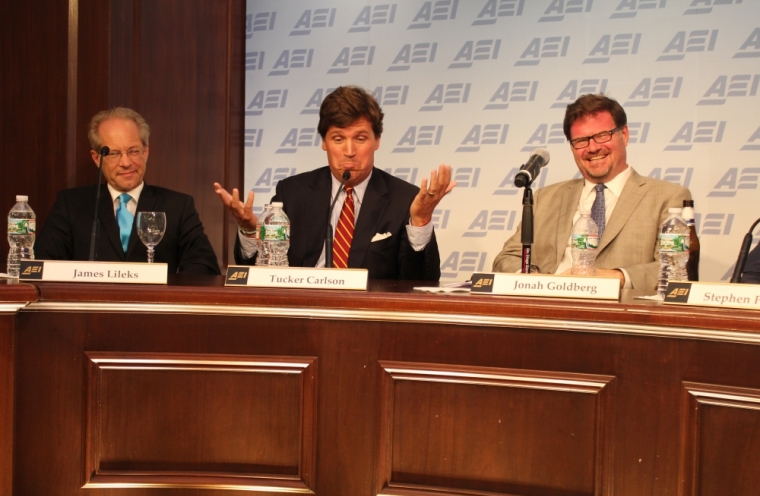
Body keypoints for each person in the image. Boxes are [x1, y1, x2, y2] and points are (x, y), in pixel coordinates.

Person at [214, 85, 455, 280]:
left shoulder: (404, 199)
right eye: (338, 139)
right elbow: (254, 273)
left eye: (360, 138)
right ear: (324, 142)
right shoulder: (292, 193)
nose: (349, 151)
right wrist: (249, 230)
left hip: (369, 319)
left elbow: (422, 282)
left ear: (377, 140)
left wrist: (421, 221)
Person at [492, 94, 691, 290]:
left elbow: (675, 267)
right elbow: (507, 257)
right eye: (581, 140)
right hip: (547, 308)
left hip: (618, 313)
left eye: (602, 136)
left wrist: (608, 277)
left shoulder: (667, 196)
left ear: (625, 135)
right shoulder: (546, 197)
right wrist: (532, 279)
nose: (593, 148)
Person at [36, 107, 220, 275]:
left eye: (133, 151)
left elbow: (204, 268)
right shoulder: (71, 205)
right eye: (114, 153)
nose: (125, 163)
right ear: (97, 158)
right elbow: (41, 265)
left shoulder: (178, 207)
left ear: (145, 152)